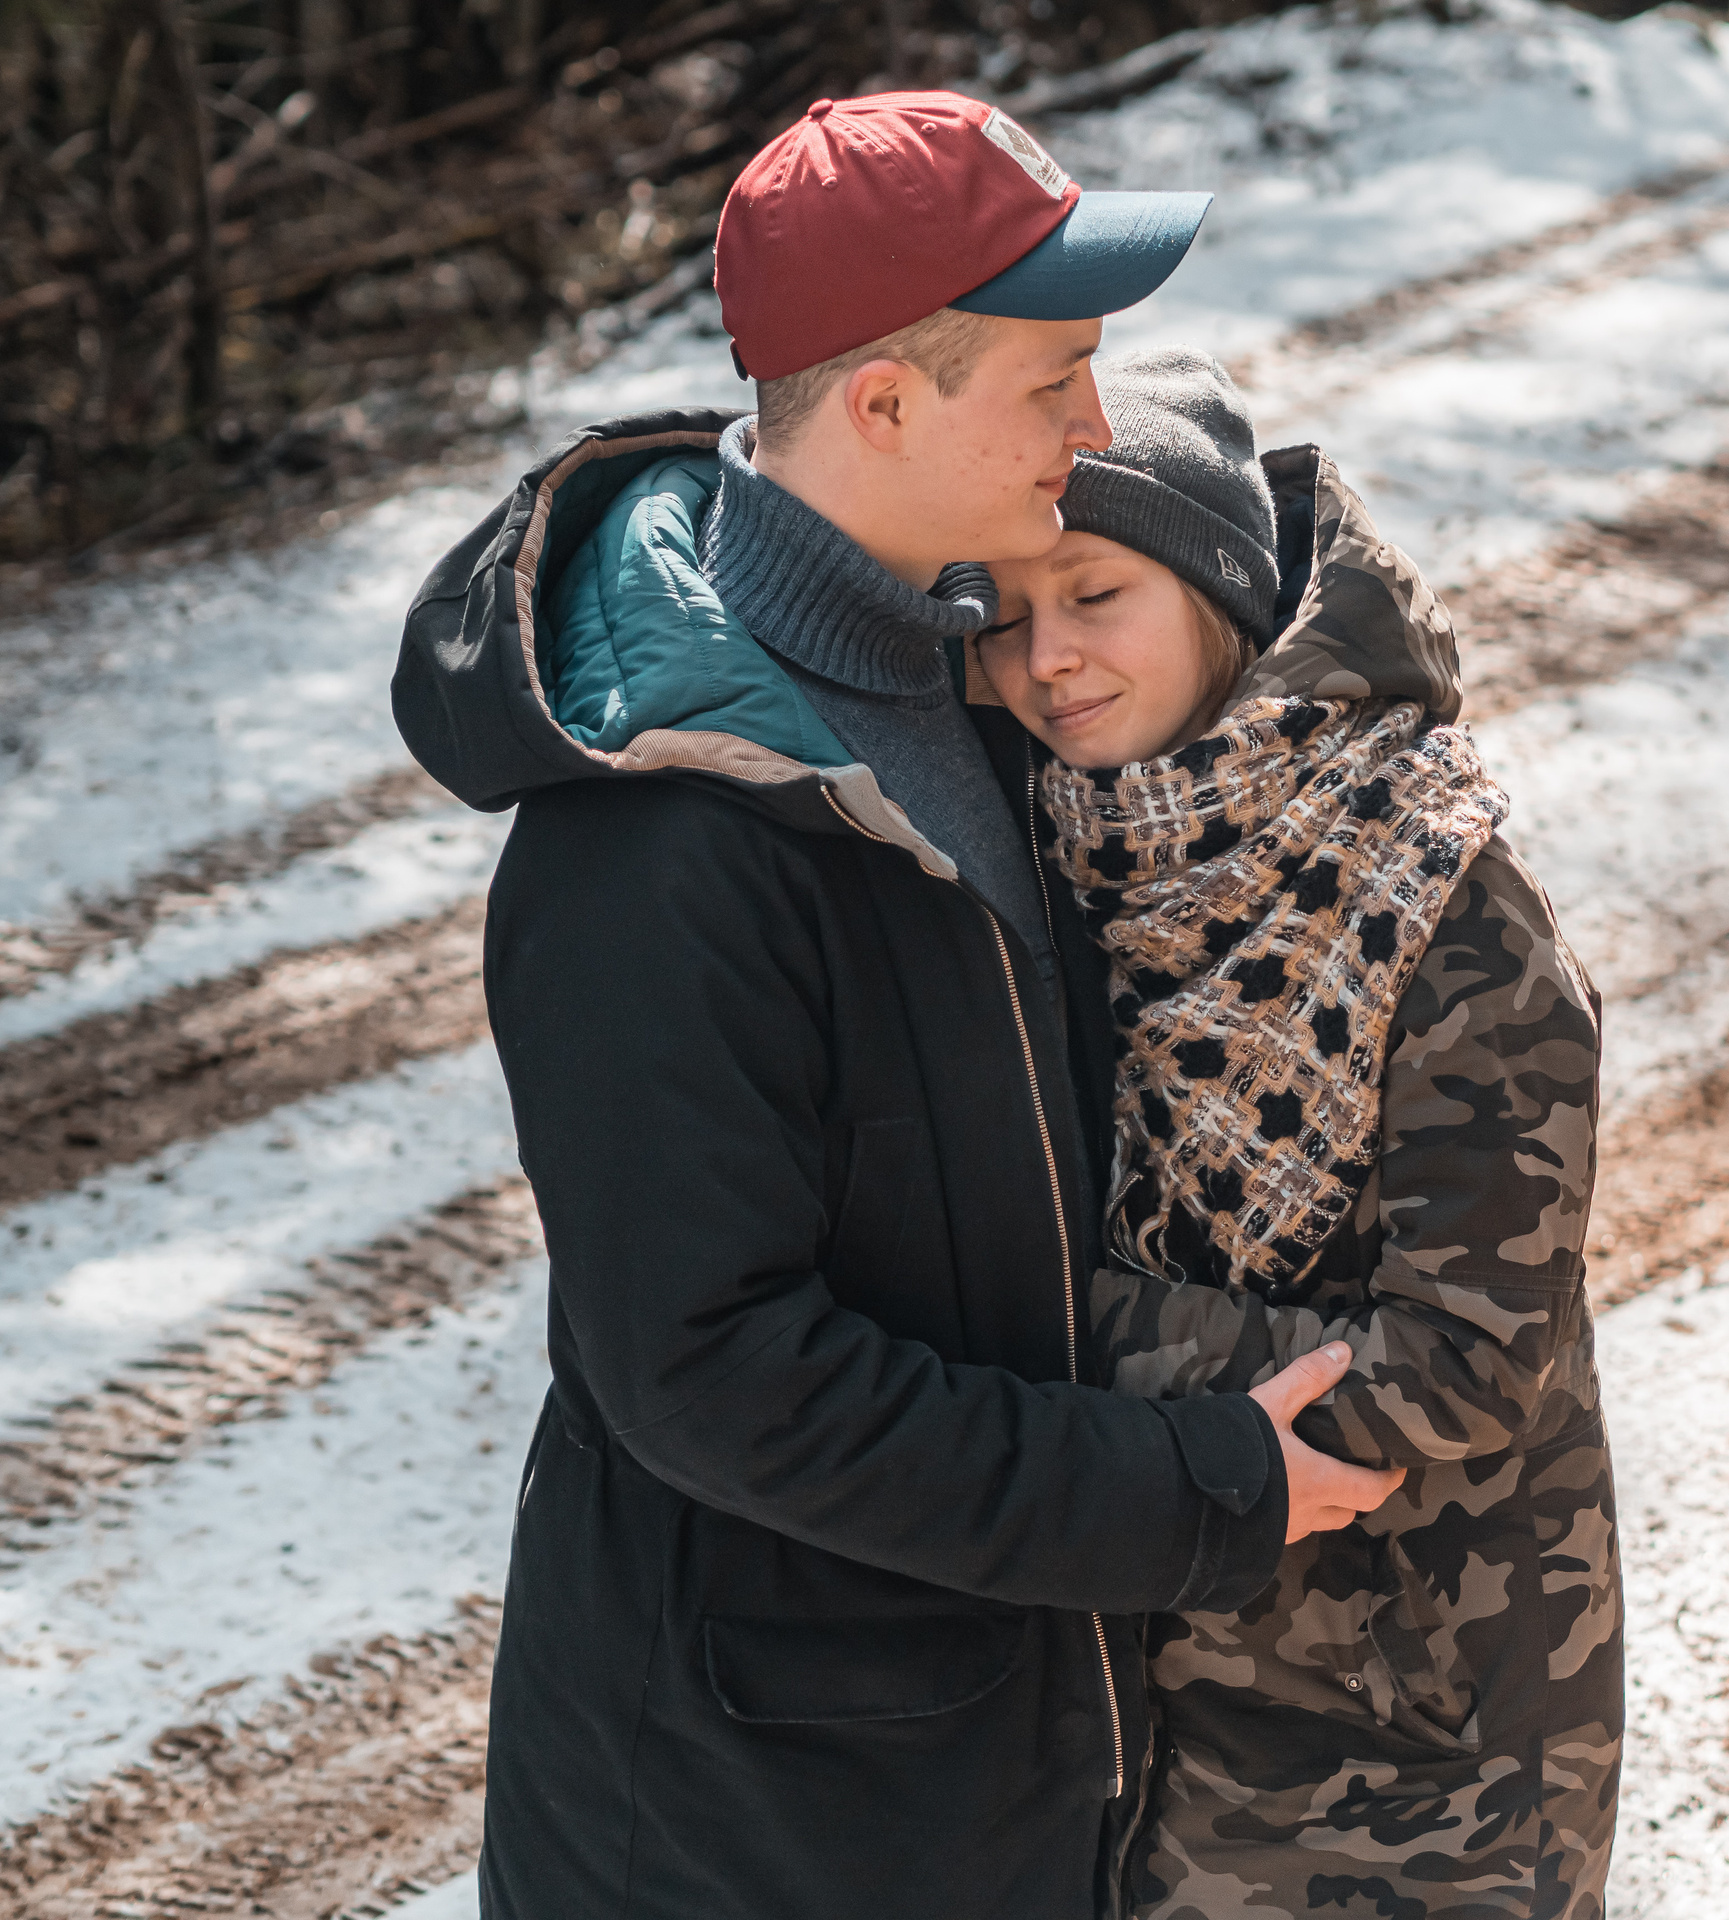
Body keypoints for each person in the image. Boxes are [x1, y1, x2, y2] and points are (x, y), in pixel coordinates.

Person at [389, 96, 1400, 1920]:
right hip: (753, 1831)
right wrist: (1181, 1492)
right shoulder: (654, 852)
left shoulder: (985, 692)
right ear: (880, 408)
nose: (1098, 426)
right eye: (1053, 383)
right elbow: (713, 1375)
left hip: (996, 1768)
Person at [976, 349, 1623, 1919]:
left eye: (1093, 594)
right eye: (1002, 614)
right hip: (1146, 1692)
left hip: (1418, 1726)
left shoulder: (1438, 899)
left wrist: (1040, 1347)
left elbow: (1463, 1359)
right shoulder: (1055, 861)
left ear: (1212, 591)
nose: (1047, 658)